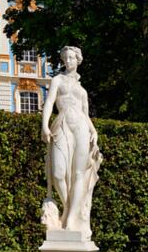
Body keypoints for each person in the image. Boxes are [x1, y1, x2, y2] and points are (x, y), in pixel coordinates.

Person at [41, 46, 102, 238]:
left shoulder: (82, 91)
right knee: (58, 173)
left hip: (82, 128)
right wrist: (44, 125)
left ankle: (71, 220)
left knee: (78, 174)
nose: (68, 61)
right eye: (65, 58)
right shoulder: (57, 80)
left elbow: (86, 114)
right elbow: (50, 103)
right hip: (62, 124)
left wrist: (94, 131)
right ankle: (69, 210)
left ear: (78, 60)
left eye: (71, 58)